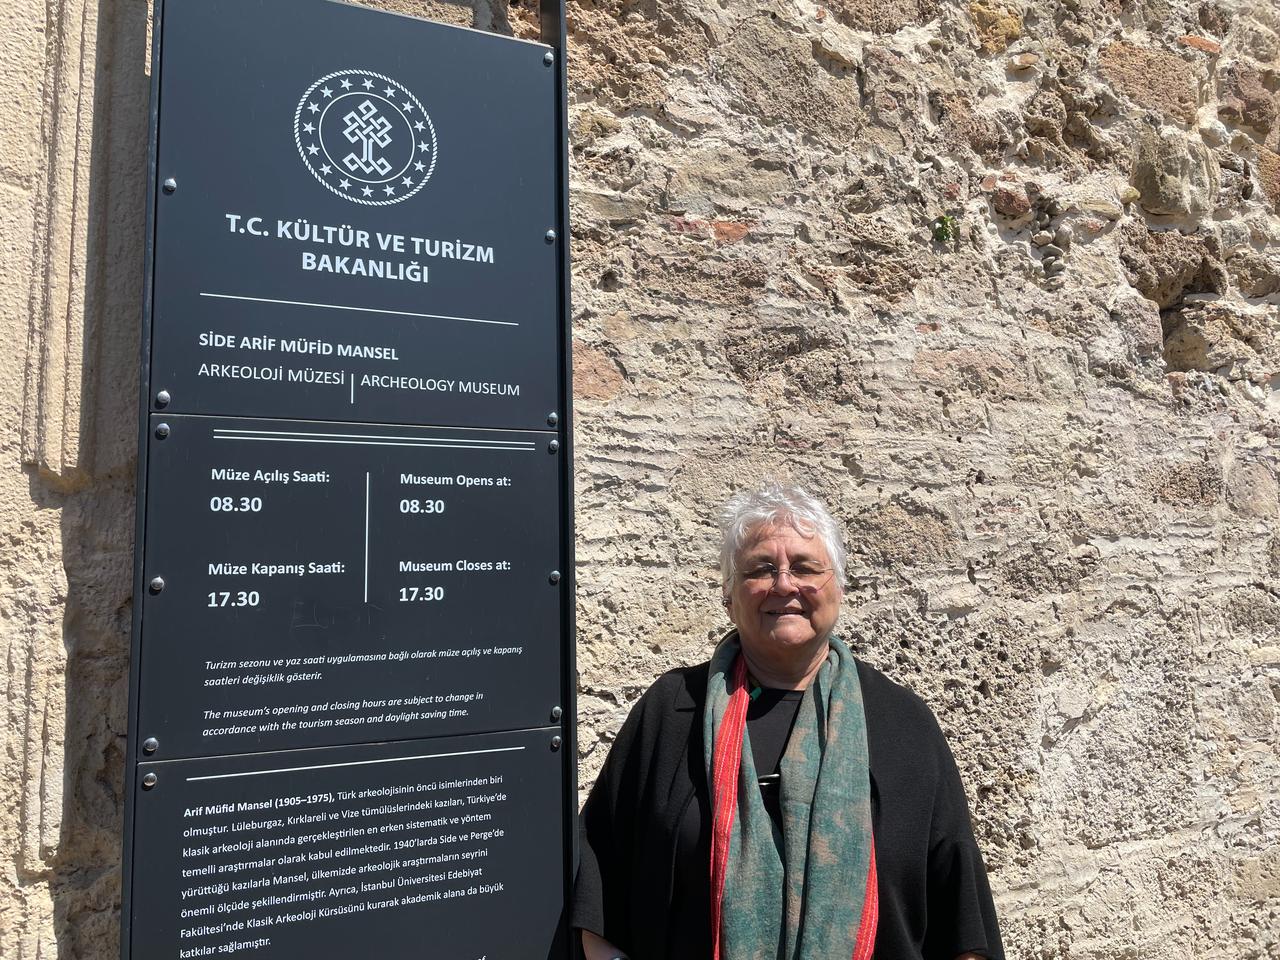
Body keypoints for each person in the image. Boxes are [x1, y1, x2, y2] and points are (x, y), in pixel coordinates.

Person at [572, 483, 1005, 960]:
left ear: (838, 587)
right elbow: (597, 880)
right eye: (761, 569)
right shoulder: (672, 712)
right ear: (728, 595)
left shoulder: (900, 724)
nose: (783, 585)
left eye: (804, 567)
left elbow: (962, 917)